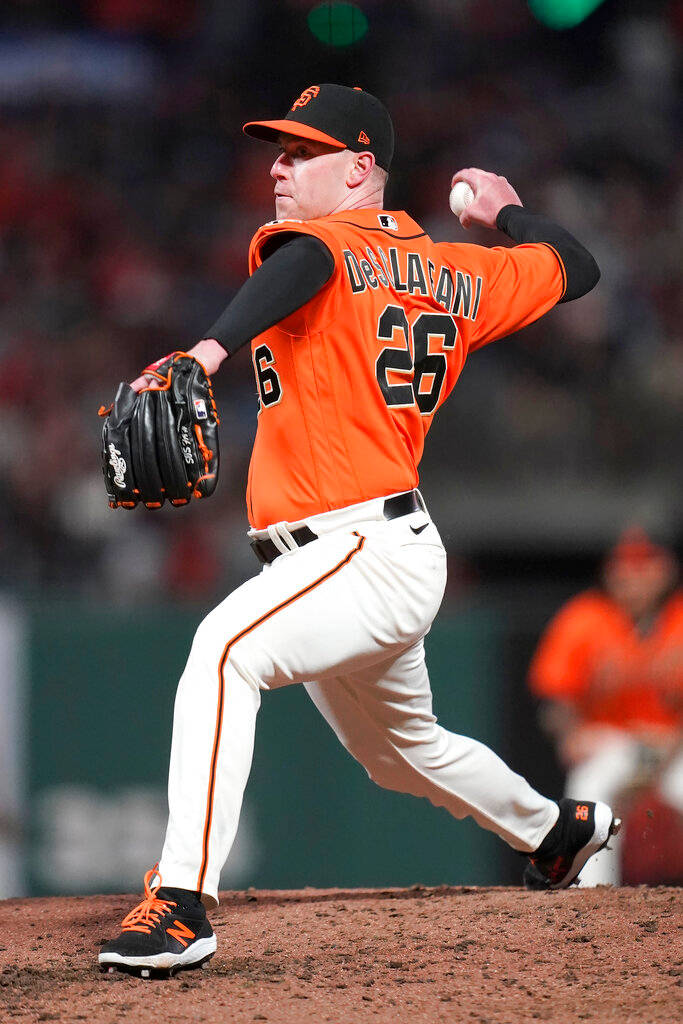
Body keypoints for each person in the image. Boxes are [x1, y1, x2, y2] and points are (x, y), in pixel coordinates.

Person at [99, 83, 617, 977]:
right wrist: (507, 214)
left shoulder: (323, 245)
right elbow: (577, 267)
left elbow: (303, 269)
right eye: (279, 151)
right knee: (399, 753)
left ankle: (182, 905)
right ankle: (557, 828)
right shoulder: (463, 270)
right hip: (376, 550)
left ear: (361, 168)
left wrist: (208, 352)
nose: (278, 166)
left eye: (302, 153)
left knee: (225, 651)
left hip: (360, 548)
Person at [528, 527, 683, 885]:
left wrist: (669, 746)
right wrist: (572, 733)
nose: (632, 575)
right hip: (616, 744)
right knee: (589, 784)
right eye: (624, 565)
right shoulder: (585, 617)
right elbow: (556, 701)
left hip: (675, 745)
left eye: (645, 564)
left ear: (667, 569)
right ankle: (590, 897)